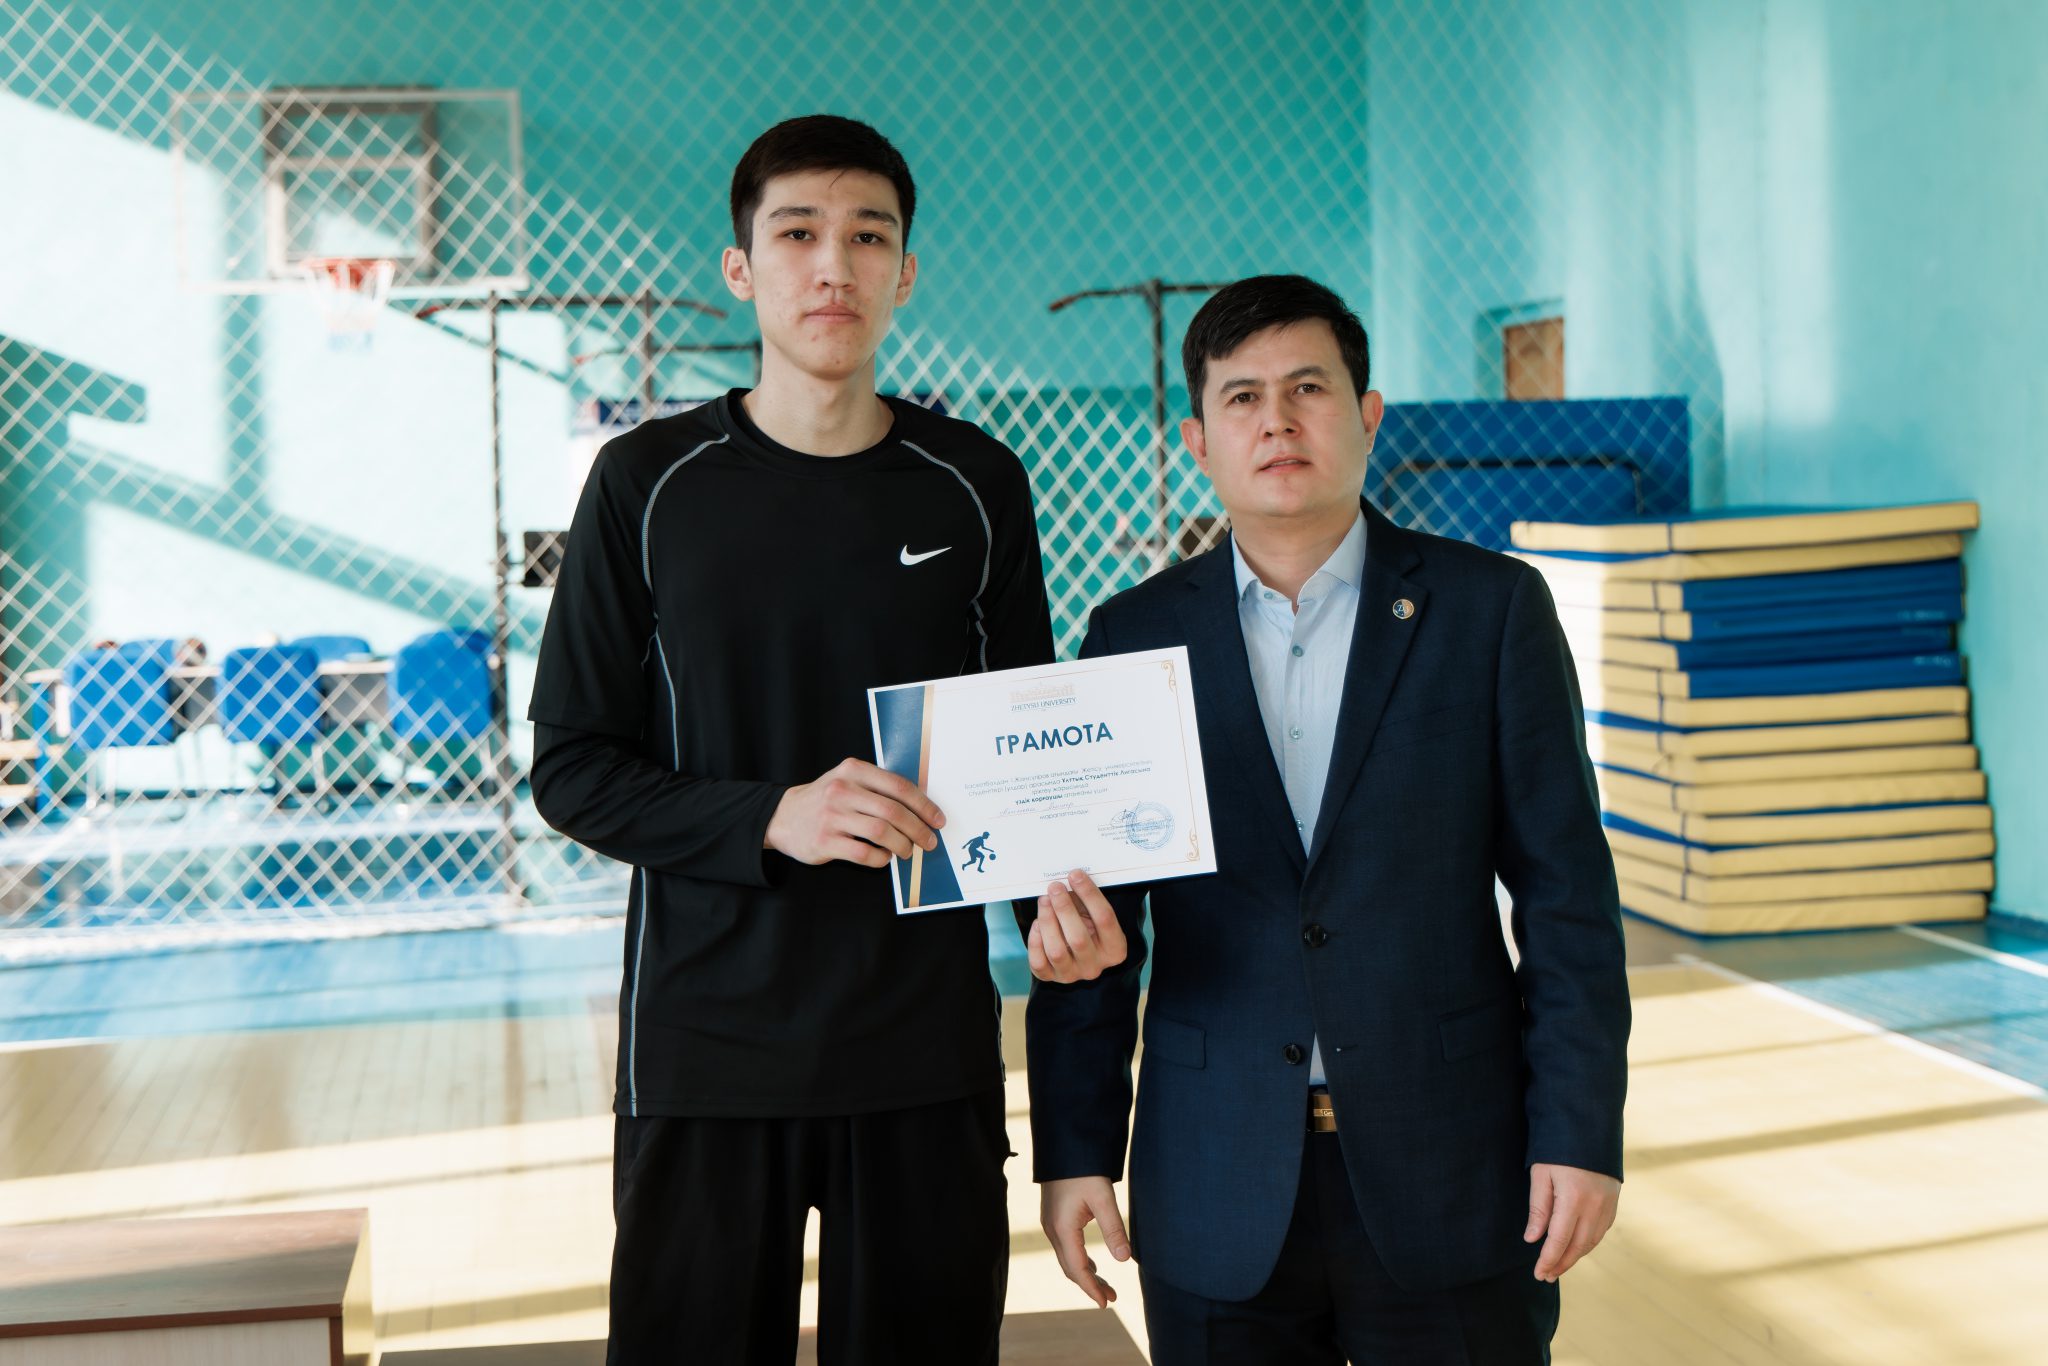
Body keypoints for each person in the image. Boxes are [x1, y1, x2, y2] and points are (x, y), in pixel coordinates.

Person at [527, 113, 1086, 1365]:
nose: (832, 264)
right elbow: (570, 767)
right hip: (706, 1051)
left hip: (924, 1049)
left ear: (905, 272)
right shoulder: (645, 482)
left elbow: (1027, 752)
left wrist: (1065, 898)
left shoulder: (975, 482)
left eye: (867, 236)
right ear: (740, 268)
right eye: (796, 234)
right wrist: (771, 815)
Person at [1023, 274, 1630, 1364]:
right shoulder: (1132, 637)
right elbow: (1089, 928)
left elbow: (1567, 899)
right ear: (1197, 439)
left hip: (1453, 1169)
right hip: (1211, 1171)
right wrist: (1074, 1148)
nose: (1277, 421)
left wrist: (1580, 1133)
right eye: (1242, 397)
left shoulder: (1490, 610)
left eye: (1307, 388)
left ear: (1367, 413)